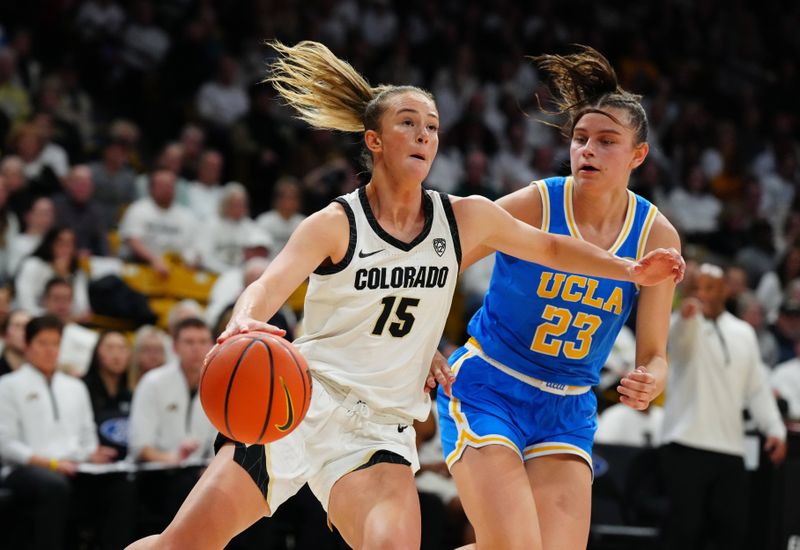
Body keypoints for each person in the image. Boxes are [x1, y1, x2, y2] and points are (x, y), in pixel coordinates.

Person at [126, 40, 682, 550]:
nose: (423, 135)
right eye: (409, 123)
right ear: (374, 140)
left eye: (433, 127)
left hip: (378, 431)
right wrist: (244, 323)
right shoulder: (335, 221)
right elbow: (268, 285)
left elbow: (555, 250)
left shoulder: (464, 217)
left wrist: (630, 268)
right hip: (303, 404)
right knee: (182, 546)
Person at [434, 45, 683, 550]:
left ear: (639, 155)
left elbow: (655, 355)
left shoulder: (657, 236)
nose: (587, 150)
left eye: (606, 141)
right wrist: (423, 344)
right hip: (491, 386)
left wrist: (647, 382)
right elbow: (440, 261)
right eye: (581, 139)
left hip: (569, 407)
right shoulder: (537, 202)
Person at [661, 263, 787, 550]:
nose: (702, 294)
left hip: (731, 449)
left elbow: (755, 387)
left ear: (725, 291)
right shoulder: (681, 323)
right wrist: (686, 315)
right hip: (684, 444)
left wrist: (774, 428)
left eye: (709, 288)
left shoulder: (743, 332)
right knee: (683, 533)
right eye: (696, 288)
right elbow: (679, 342)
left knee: (732, 533)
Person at [0, 315, 135, 550]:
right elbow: (6, 444)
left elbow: (87, 434)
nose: (50, 350)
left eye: (55, 343)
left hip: (74, 466)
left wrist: (91, 454)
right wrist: (51, 463)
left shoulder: (75, 386)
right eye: (43, 343)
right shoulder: (8, 385)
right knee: (54, 486)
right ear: (28, 346)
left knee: (121, 486)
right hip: (26, 469)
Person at [83, 331, 133, 458]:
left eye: (122, 348)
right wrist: (88, 452)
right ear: (97, 353)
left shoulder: (131, 396)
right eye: (110, 348)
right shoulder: (82, 390)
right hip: (91, 463)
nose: (116, 355)